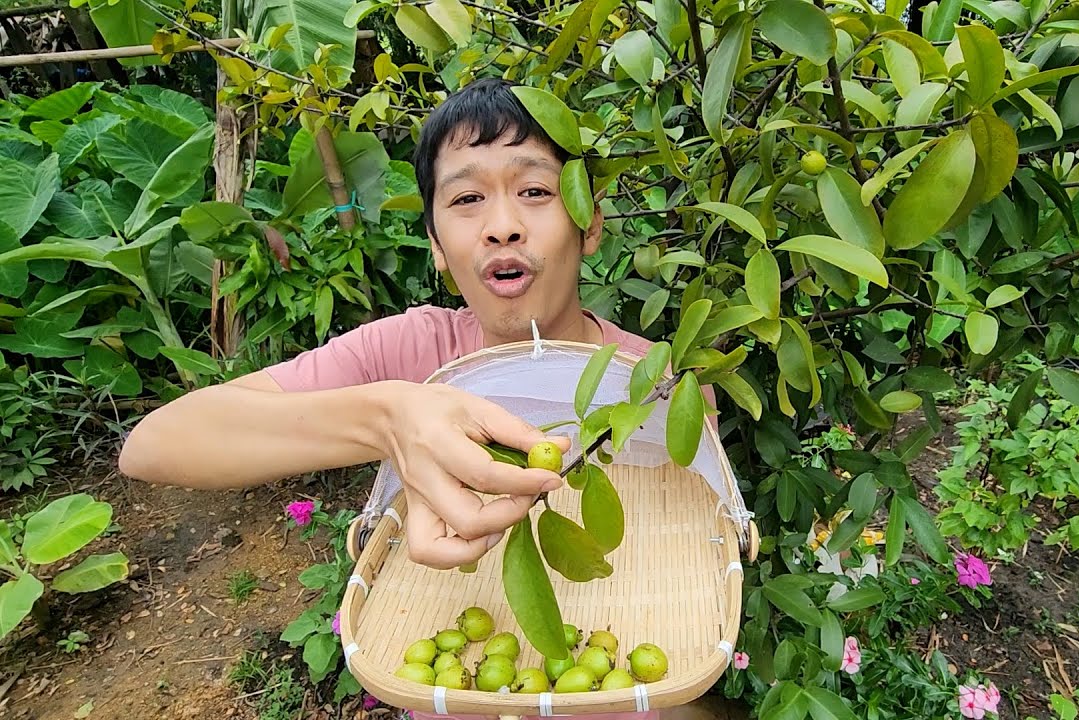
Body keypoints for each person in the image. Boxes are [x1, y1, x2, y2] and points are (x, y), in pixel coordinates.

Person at [118, 77, 710, 720]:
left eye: (536, 192)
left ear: (589, 223)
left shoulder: (658, 383)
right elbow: (155, 444)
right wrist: (385, 416)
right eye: (467, 198)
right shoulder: (404, 353)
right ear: (434, 242)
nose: (503, 227)